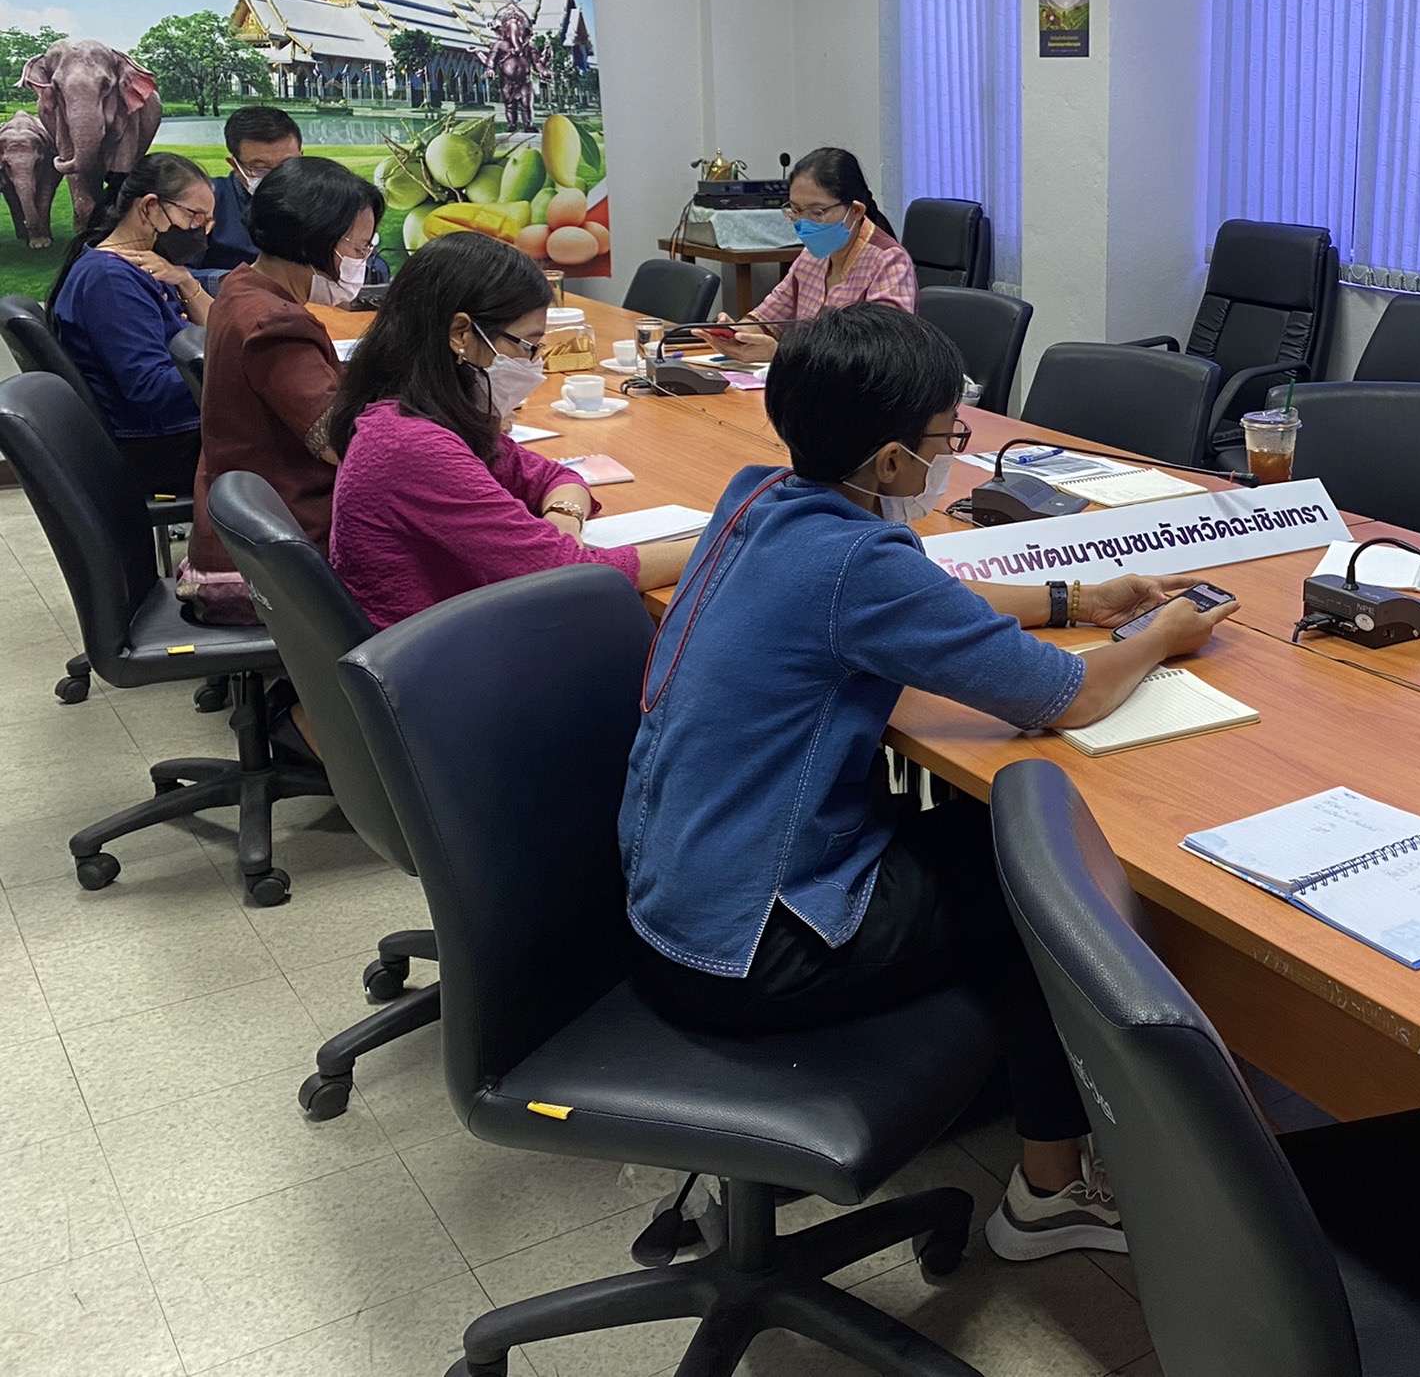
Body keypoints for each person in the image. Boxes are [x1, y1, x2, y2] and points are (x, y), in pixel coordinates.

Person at [623, 302, 1236, 1260]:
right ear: (892, 463)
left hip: (675, 890)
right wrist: (1162, 634)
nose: (956, 454)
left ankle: (1015, 1099)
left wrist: (1076, 596)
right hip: (751, 945)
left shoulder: (760, 498)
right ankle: (1050, 1192)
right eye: (949, 437)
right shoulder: (858, 561)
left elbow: (920, 599)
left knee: (981, 836)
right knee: (1050, 887)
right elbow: (1069, 696)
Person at [326, 232, 693, 627]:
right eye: (528, 345)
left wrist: (564, 518)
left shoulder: (418, 415)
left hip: (449, 634)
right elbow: (568, 573)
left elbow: (553, 477)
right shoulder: (412, 445)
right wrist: (718, 545)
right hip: (449, 656)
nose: (534, 363)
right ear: (461, 334)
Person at [179, 159, 384, 623]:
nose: (363, 260)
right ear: (316, 241)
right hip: (271, 564)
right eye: (359, 247)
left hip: (242, 531)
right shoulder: (276, 322)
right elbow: (339, 444)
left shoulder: (241, 287)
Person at [47, 153, 215, 499]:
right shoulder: (110, 281)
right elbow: (152, 388)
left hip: (165, 433)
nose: (199, 231)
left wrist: (185, 281)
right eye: (194, 217)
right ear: (150, 207)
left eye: (207, 222)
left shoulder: (146, 267)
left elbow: (218, 330)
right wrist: (229, 375)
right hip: (157, 447)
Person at [708, 147, 916, 361]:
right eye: (796, 211)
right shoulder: (812, 255)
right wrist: (737, 334)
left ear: (855, 211)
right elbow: (768, 318)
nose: (804, 223)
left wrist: (779, 355)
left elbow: (881, 356)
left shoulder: (889, 262)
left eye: (817, 212)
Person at [200, 106, 304, 274]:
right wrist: (235, 281)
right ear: (235, 165)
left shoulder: (324, 199)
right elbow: (175, 273)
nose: (276, 177)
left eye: (287, 165)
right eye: (260, 168)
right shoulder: (205, 202)